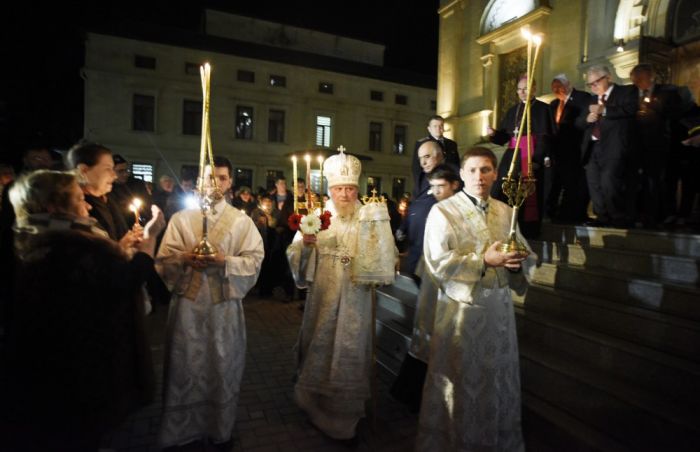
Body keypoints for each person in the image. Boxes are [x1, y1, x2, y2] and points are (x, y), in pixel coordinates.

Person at [2, 170, 162, 452]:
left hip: (57, 365)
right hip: (76, 368)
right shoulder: (66, 247)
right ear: (54, 207)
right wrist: (151, 238)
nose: (87, 205)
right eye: (78, 198)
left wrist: (120, 246)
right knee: (76, 432)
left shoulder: (40, 235)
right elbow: (124, 279)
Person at [417, 147, 536, 451]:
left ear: (496, 174)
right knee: (463, 381)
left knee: (497, 378)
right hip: (462, 311)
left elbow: (523, 249)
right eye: (472, 170)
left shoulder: (505, 211)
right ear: (461, 174)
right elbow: (437, 263)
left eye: (485, 170)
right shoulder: (443, 211)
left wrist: (518, 260)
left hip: (499, 310)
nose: (479, 177)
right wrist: (484, 260)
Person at [155, 155, 264, 448]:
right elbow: (163, 260)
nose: (214, 184)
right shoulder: (180, 219)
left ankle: (219, 428)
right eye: (208, 177)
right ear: (199, 181)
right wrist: (184, 258)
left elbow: (254, 261)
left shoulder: (241, 222)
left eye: (222, 178)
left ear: (230, 183)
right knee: (185, 365)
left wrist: (224, 261)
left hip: (223, 308)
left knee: (222, 364)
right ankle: (180, 431)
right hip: (188, 309)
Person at [286, 149, 375, 440]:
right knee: (320, 348)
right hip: (324, 296)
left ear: (357, 189)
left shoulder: (370, 217)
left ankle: (345, 415)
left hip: (356, 299)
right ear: (330, 190)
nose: (345, 194)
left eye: (350, 188)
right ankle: (315, 403)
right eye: (339, 189)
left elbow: (381, 257)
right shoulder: (315, 217)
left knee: (350, 349)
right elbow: (294, 253)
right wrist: (308, 245)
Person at [67, 141, 170, 309]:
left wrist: (128, 242)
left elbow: (113, 244)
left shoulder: (109, 198)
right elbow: (101, 268)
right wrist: (149, 237)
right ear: (84, 170)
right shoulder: (78, 211)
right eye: (108, 168)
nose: (114, 176)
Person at [391, 164, 461, 412]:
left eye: (440, 186)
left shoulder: (460, 210)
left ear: (455, 184)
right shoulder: (433, 207)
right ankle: (412, 393)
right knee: (425, 335)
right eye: (432, 187)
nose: (435, 192)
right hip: (430, 277)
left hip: (452, 282)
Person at [489, 74, 556, 238]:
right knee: (501, 188)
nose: (522, 92)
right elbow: (504, 137)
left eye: (525, 88)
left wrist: (537, 159)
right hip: (512, 155)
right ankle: (503, 227)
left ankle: (528, 232)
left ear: (534, 88)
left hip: (532, 155)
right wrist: (493, 134)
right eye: (519, 89)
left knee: (529, 192)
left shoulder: (543, 109)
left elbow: (547, 137)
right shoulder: (513, 110)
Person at [576, 65, 638, 228]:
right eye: (590, 84)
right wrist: (587, 119)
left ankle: (618, 216)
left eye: (596, 82)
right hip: (592, 147)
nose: (594, 86)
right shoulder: (591, 99)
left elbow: (630, 109)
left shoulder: (626, 92)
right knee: (594, 182)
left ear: (608, 77)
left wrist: (604, 110)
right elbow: (578, 123)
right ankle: (601, 216)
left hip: (614, 146)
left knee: (609, 181)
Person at [630, 63, 685, 228]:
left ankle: (665, 213)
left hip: (661, 144)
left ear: (651, 77)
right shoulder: (632, 94)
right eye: (634, 80)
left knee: (661, 180)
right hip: (639, 145)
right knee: (642, 181)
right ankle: (644, 213)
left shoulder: (668, 92)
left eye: (640, 79)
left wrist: (654, 105)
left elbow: (676, 114)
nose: (637, 83)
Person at [548, 73, 593, 222]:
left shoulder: (583, 98)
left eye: (559, 86)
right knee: (558, 183)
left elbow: (584, 123)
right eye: (553, 87)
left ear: (568, 85)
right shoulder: (553, 105)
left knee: (575, 184)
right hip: (558, 152)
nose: (556, 89)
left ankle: (575, 214)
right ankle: (556, 213)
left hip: (577, 149)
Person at [398, 140, 444, 281]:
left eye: (427, 157)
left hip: (432, 245)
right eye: (420, 159)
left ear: (439, 156)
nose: (423, 163)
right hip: (415, 243)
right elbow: (414, 205)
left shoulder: (449, 177)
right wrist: (403, 227)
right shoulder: (422, 177)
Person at [412, 115, 460, 193]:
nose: (438, 129)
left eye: (441, 126)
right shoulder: (422, 143)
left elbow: (456, 164)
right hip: (430, 185)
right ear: (429, 129)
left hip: (449, 185)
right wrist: (420, 186)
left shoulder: (451, 144)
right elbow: (416, 168)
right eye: (435, 126)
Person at [110, 154, 152, 228]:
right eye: (120, 171)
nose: (125, 174)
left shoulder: (137, 185)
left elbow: (147, 205)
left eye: (127, 170)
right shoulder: (107, 187)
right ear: (111, 171)